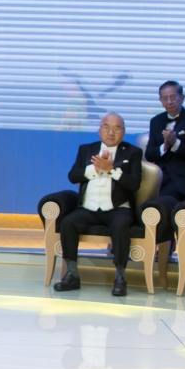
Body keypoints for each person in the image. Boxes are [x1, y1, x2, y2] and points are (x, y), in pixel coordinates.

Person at [54, 113, 142, 297]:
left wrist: (112, 170)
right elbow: (73, 176)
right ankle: (72, 274)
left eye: (117, 128)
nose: (111, 132)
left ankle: (120, 277)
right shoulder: (86, 149)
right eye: (107, 127)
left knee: (121, 225)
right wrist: (94, 169)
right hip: (89, 208)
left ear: (123, 132)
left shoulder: (132, 152)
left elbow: (134, 184)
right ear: (99, 129)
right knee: (68, 222)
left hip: (117, 208)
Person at [145, 81, 185, 201]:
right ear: (161, 101)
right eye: (165, 98)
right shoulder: (156, 121)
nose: (169, 102)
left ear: (182, 97)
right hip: (163, 177)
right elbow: (149, 155)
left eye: (173, 97)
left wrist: (176, 143)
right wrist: (164, 146)